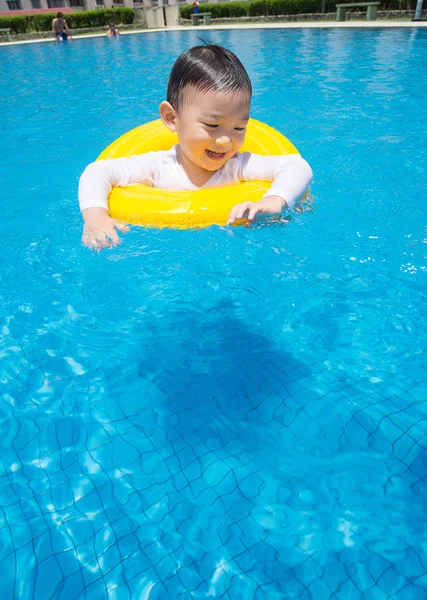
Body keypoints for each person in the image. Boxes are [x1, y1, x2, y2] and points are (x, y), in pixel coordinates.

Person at [78, 44, 313, 249]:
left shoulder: (238, 166)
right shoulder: (158, 167)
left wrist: (273, 201)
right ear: (172, 118)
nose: (225, 141)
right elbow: (97, 171)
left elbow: (297, 166)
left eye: (239, 128)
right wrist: (96, 217)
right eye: (212, 125)